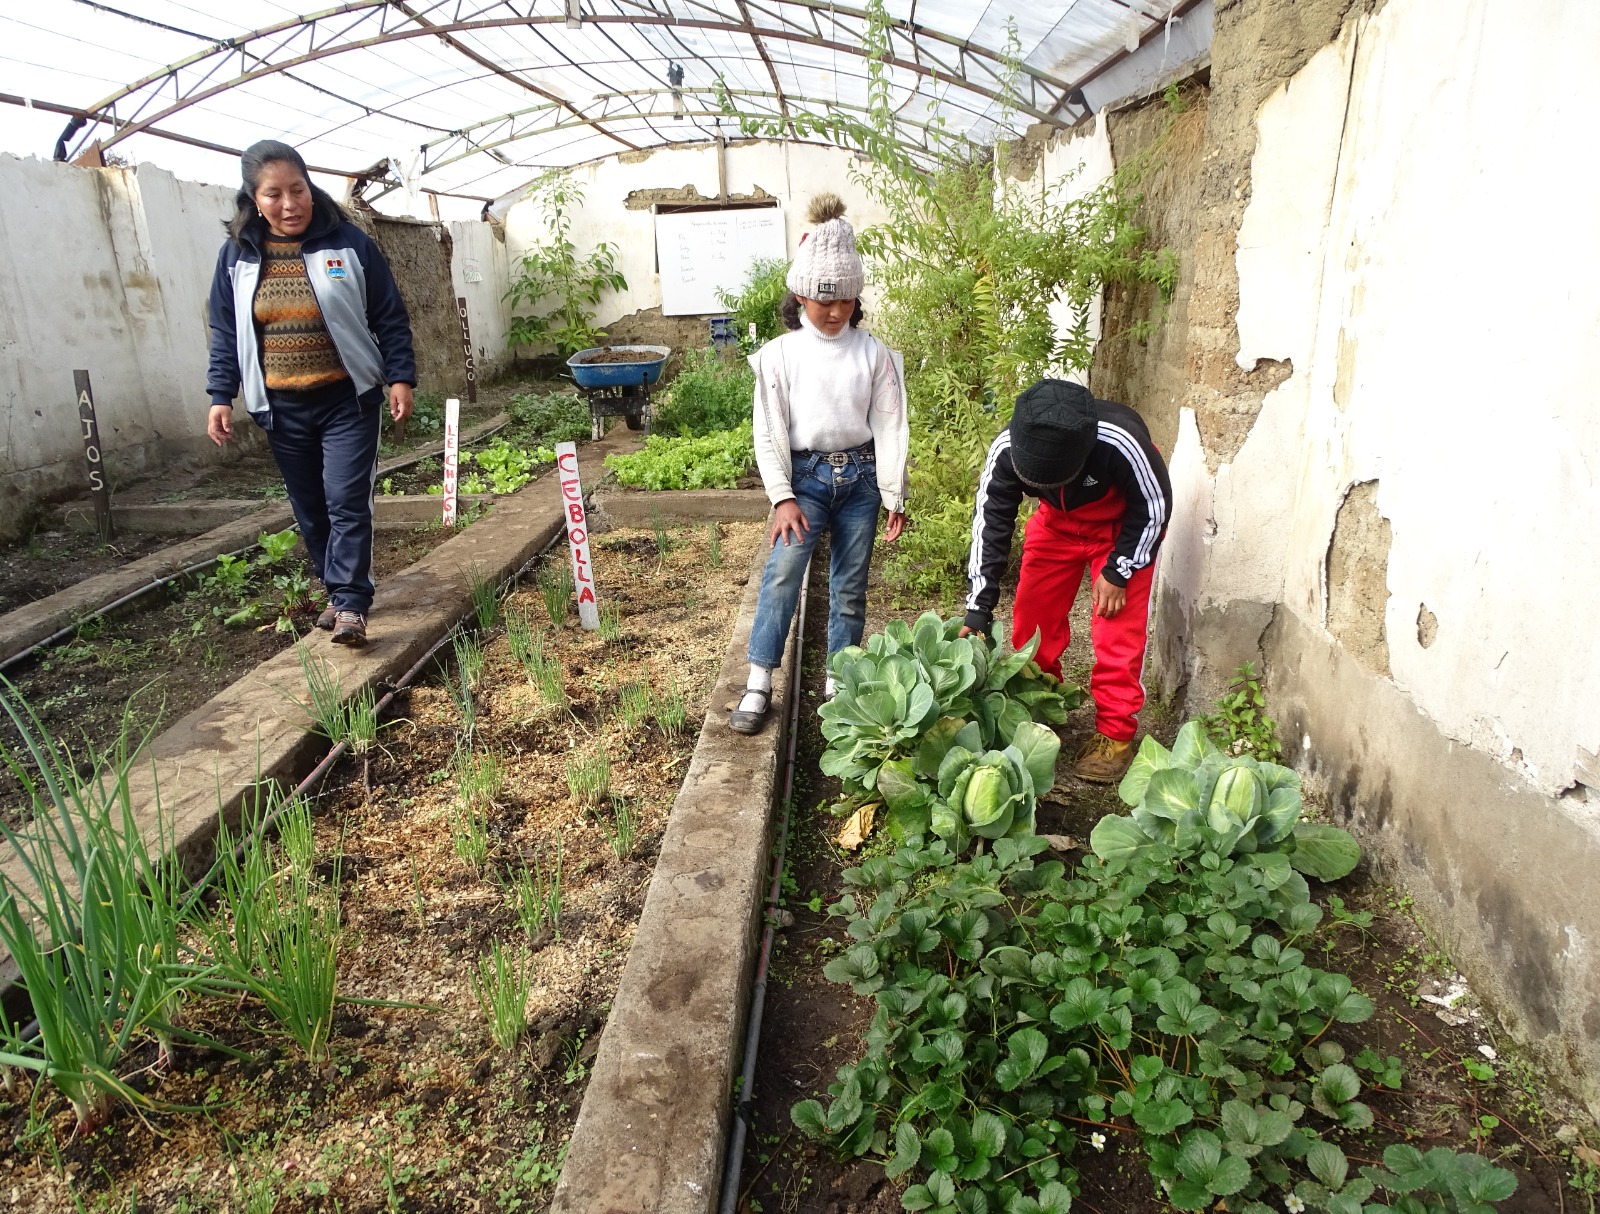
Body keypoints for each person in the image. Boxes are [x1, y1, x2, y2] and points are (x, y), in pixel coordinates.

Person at [205, 139, 416, 648]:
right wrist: (220, 394)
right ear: (254, 199)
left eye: (297, 189)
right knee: (310, 509)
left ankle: (349, 603)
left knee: (346, 500)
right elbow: (226, 332)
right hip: (280, 407)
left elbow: (388, 314)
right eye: (273, 194)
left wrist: (399, 376)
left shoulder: (348, 243)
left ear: (309, 187)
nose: (289, 204)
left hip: (348, 398)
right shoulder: (237, 256)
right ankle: (336, 590)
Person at [728, 194, 909, 734]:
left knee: (850, 584)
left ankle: (840, 683)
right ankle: (759, 682)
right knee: (783, 575)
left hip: (859, 482)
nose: (834, 312)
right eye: (822, 300)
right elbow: (769, 430)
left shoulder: (875, 354)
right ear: (800, 295)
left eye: (845, 301)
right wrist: (782, 496)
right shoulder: (779, 356)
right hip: (804, 482)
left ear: (856, 299)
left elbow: (891, 425)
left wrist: (894, 492)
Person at [961, 380, 1171, 783]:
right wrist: (978, 607)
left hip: (1119, 528)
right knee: (1031, 622)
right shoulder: (1007, 448)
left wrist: (1119, 570)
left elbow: (1154, 505)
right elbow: (990, 524)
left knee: (1116, 632)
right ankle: (1040, 708)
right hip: (1055, 526)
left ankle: (1116, 735)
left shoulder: (1121, 442)